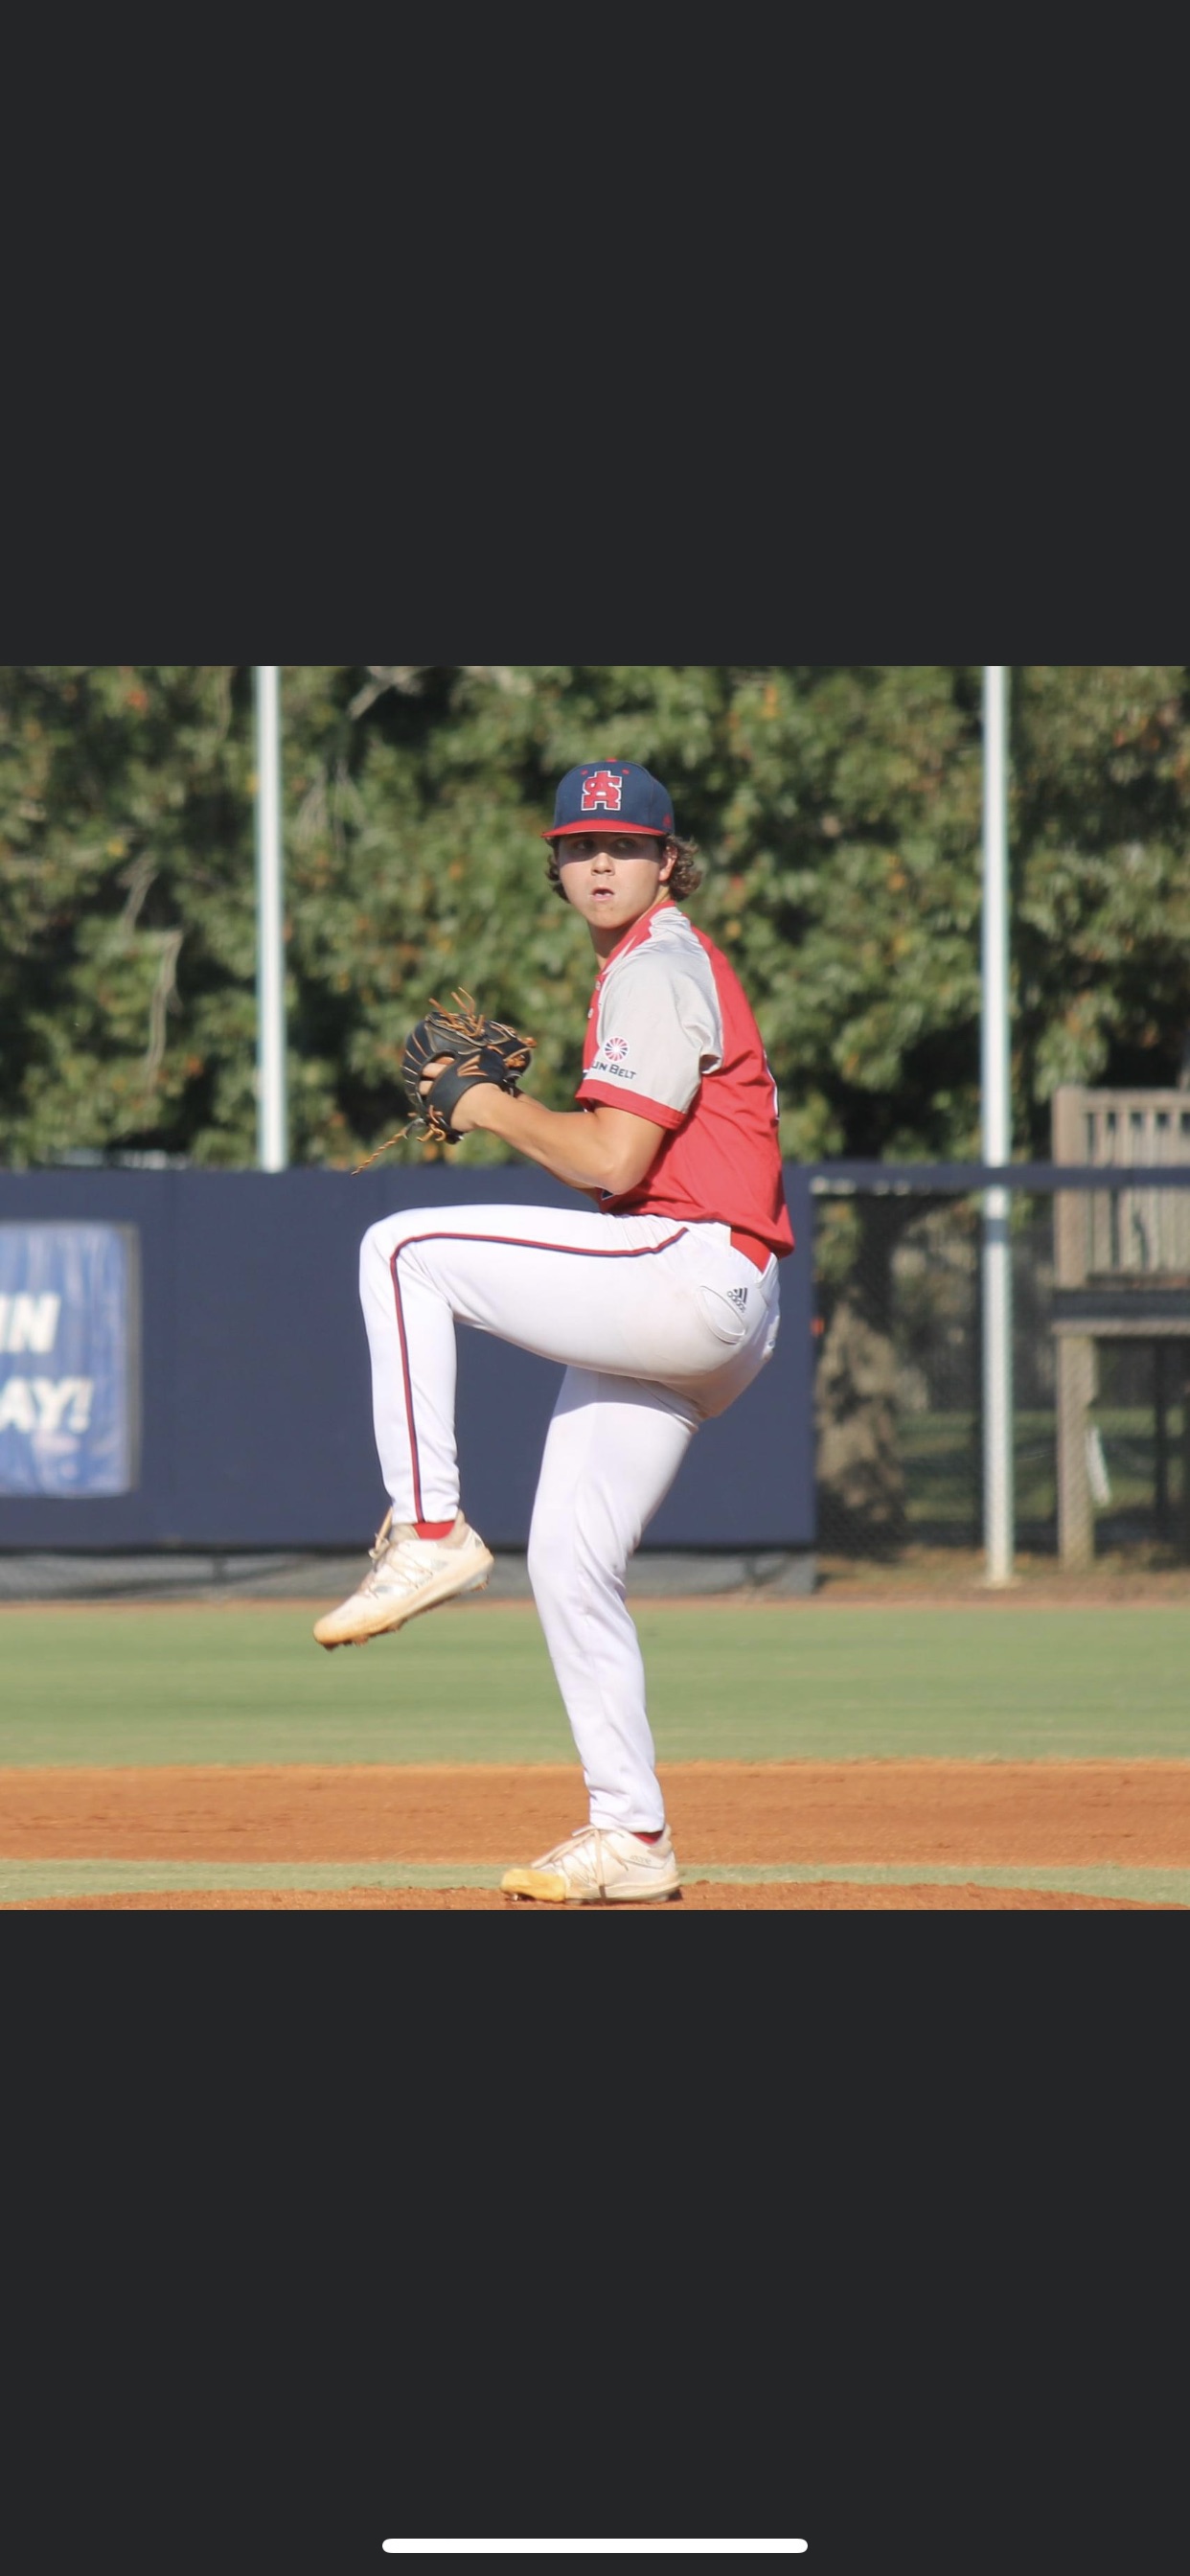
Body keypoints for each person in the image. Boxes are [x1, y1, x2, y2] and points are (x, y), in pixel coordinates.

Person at [314, 761, 794, 1904]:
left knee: (400, 1250)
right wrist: (526, 1117)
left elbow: (613, 1161)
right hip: (707, 1310)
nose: (600, 863)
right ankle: (632, 1837)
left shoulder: (660, 963)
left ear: (668, 861)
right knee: (573, 1563)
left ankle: (428, 1529)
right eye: (582, 846)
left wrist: (485, 1108)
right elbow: (616, 1158)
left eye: (625, 845)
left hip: (694, 1270)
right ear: (557, 863)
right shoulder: (642, 969)